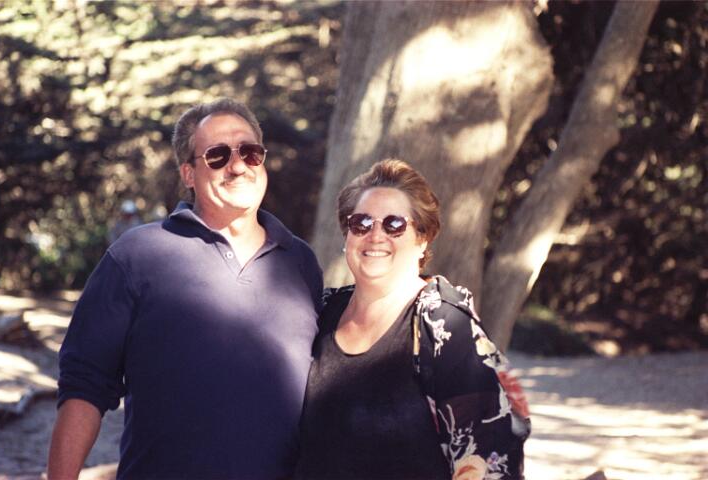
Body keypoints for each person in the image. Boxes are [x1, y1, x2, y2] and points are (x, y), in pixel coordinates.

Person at [47, 99, 323, 479]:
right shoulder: (136, 255)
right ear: (189, 174)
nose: (238, 166)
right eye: (218, 155)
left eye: (250, 152)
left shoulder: (301, 262)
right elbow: (84, 385)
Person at [295, 159, 529, 480]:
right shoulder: (323, 310)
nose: (375, 235)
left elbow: (492, 445)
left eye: (394, 224)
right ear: (347, 235)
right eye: (361, 223)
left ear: (422, 239)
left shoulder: (443, 323)